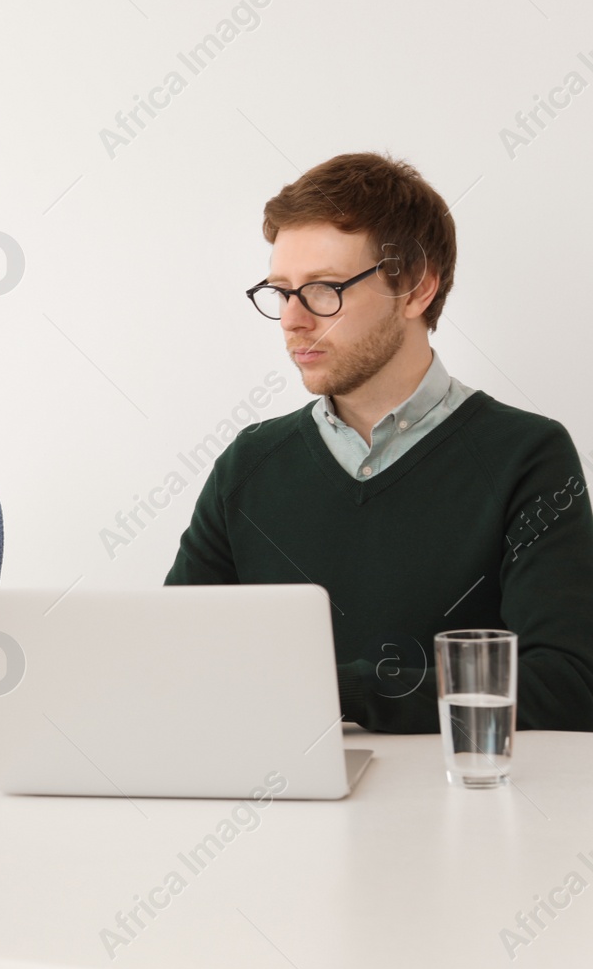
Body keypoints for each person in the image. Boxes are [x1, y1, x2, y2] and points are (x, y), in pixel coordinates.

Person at [166, 152, 593, 733]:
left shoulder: (527, 455)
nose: (293, 319)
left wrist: (344, 690)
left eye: (322, 289)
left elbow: (567, 684)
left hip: (459, 813)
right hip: (281, 809)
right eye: (280, 290)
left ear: (415, 290)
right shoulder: (249, 461)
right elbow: (170, 659)